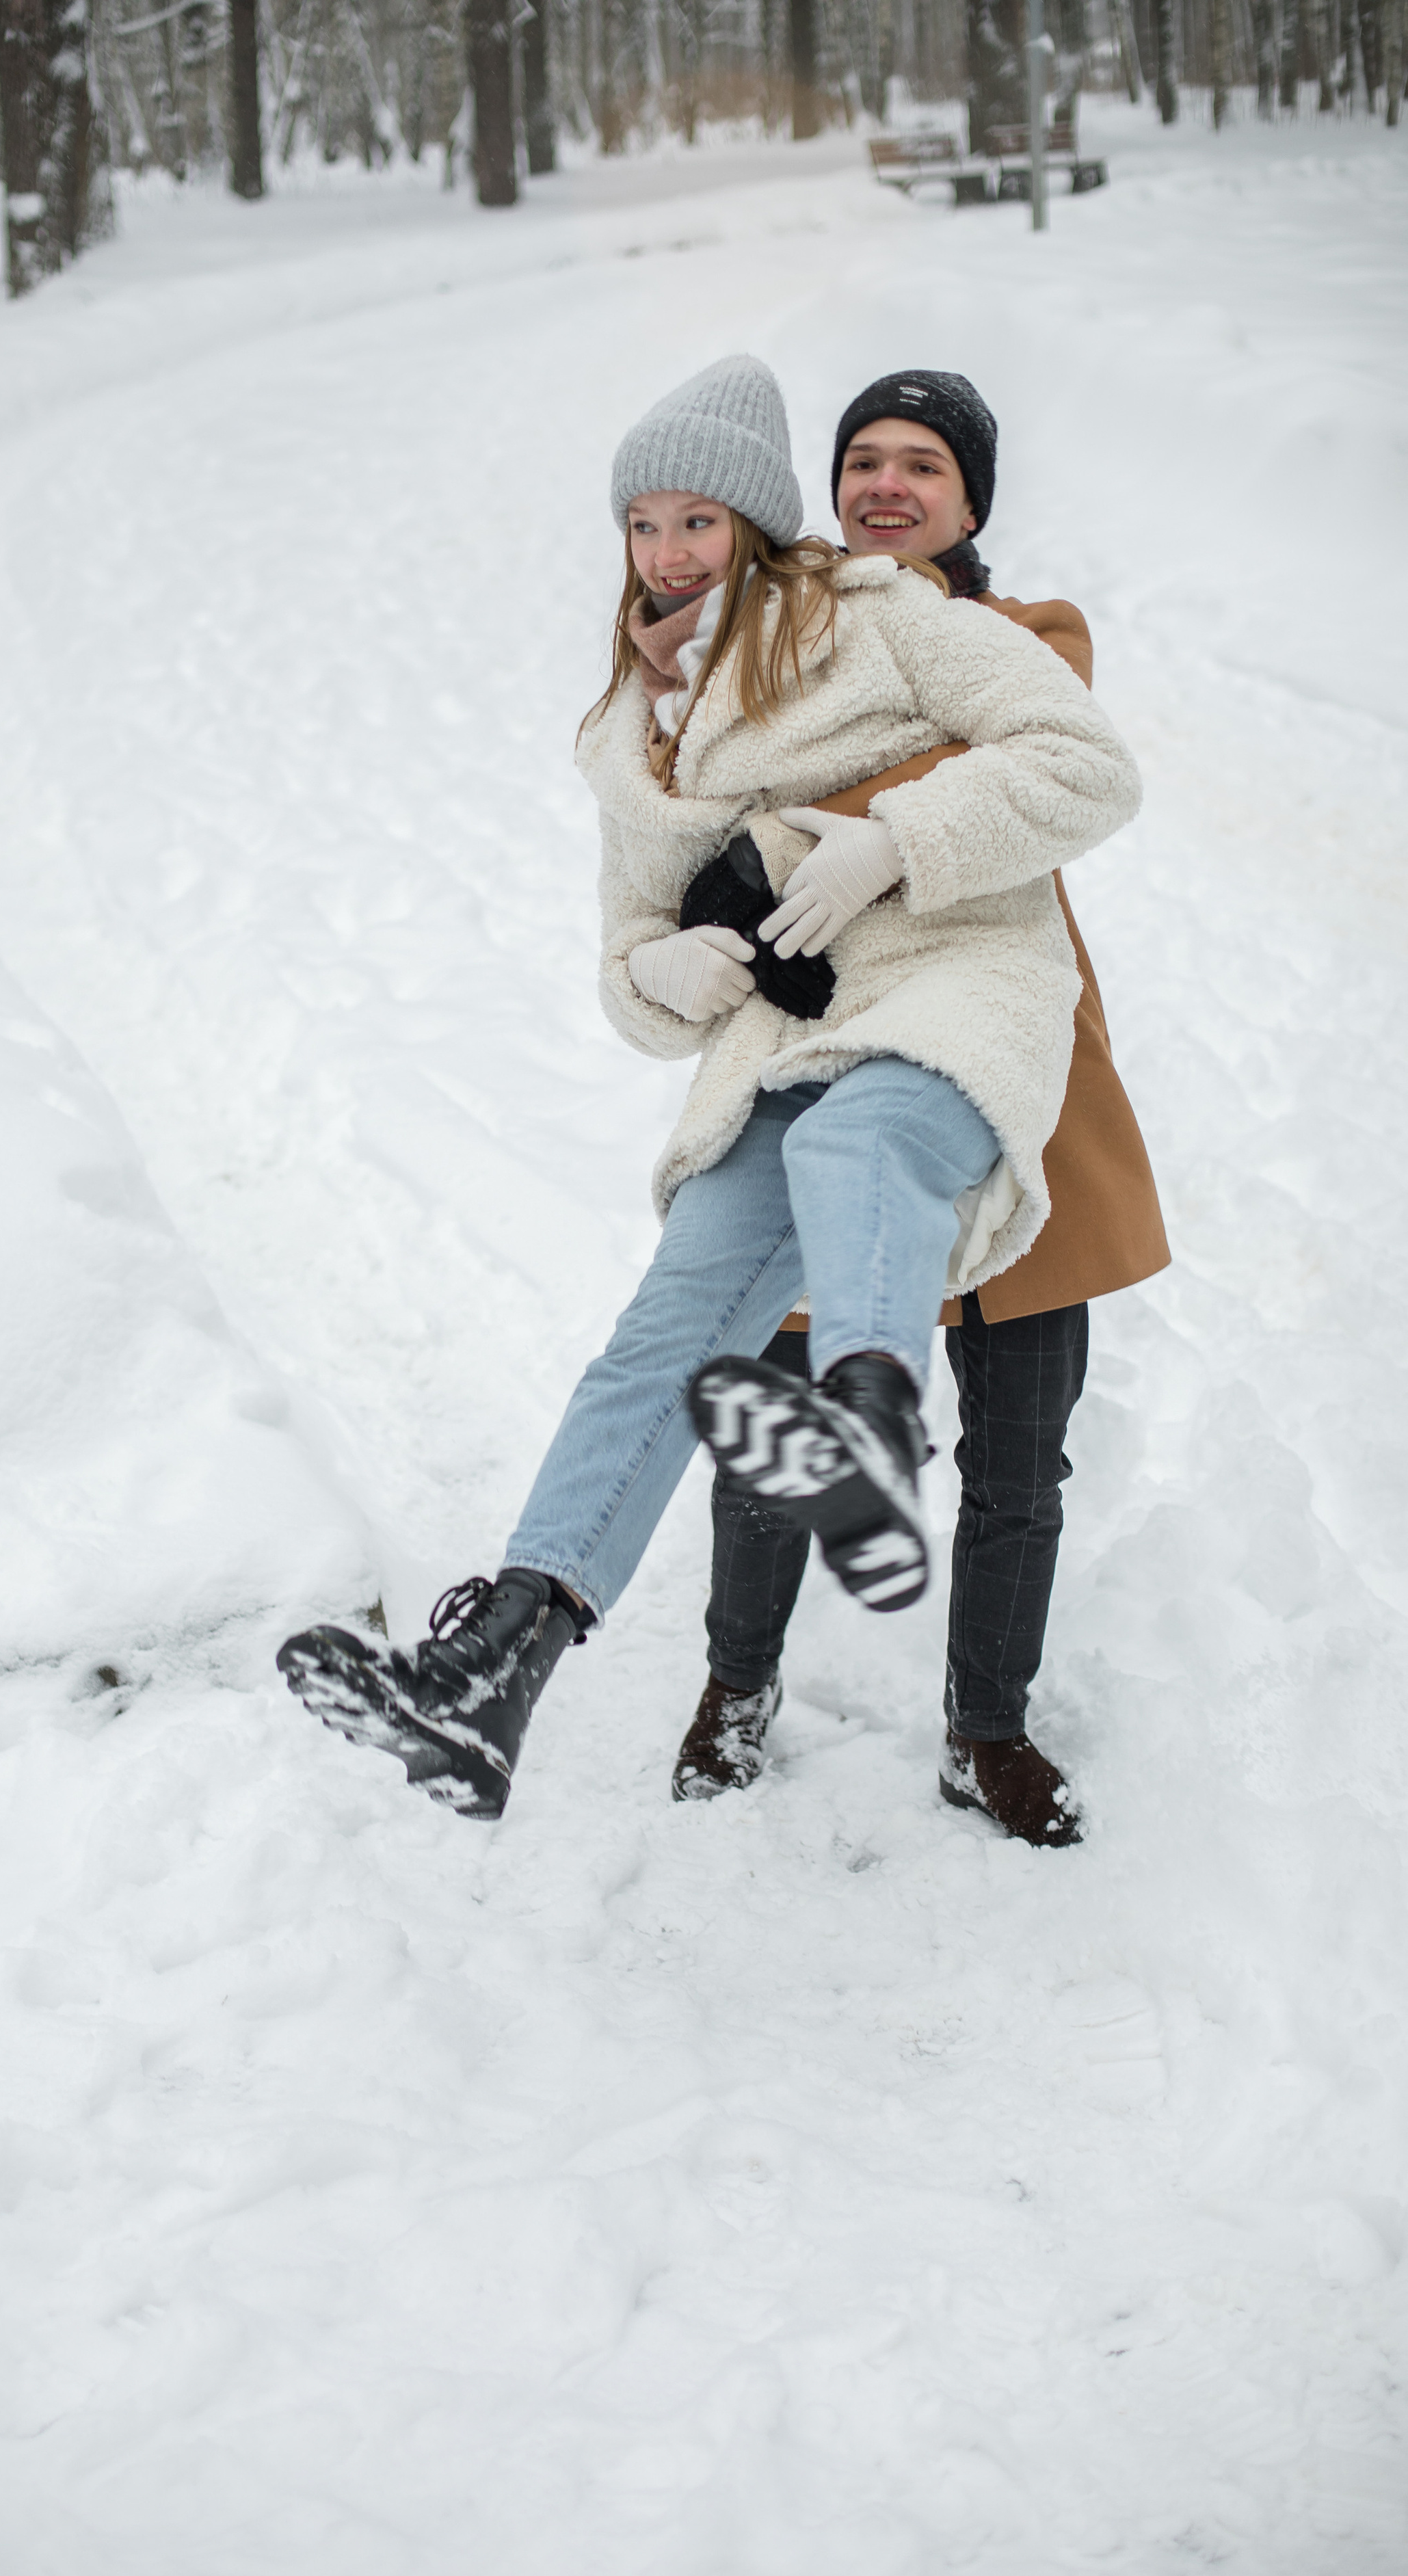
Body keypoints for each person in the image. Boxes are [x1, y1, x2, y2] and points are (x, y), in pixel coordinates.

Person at [278, 356, 1142, 1823]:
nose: (668, 551)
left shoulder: (884, 611)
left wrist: (893, 843)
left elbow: (1083, 760)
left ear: (753, 524)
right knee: (663, 1329)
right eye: (640, 523)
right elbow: (628, 952)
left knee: (868, 1143)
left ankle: (864, 1426)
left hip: (944, 991)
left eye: (698, 520)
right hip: (778, 1048)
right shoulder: (632, 728)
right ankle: (496, 1664)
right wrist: (661, 971)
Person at [672, 370, 1170, 1846]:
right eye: (862, 462)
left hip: (1012, 1088)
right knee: (783, 1417)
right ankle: (732, 1686)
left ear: (969, 502)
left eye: (923, 466)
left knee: (1017, 1458)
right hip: (824, 1079)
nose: (887, 485)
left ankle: (984, 1731)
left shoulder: (1030, 642)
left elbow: (1011, 757)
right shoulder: (773, 646)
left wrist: (792, 830)